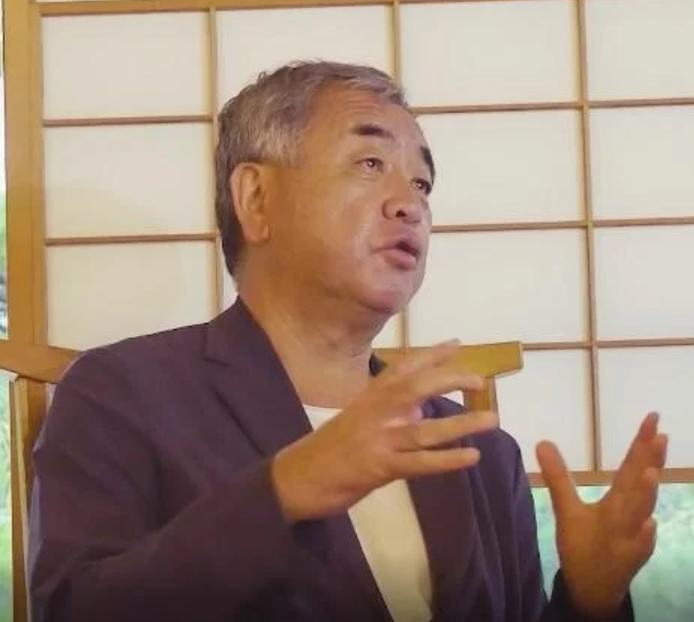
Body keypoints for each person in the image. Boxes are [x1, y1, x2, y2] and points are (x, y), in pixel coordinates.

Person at [29, 61, 668, 622]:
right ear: (256, 198)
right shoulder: (122, 394)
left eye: (422, 183)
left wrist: (591, 598)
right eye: (370, 164)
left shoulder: (476, 451)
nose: (410, 204)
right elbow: (74, 608)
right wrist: (283, 488)